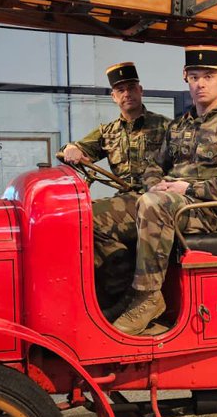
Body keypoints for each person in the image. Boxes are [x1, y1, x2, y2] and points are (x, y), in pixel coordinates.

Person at [109, 45, 217, 335]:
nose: (200, 83)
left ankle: (148, 297)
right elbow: (154, 165)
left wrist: (188, 187)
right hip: (170, 201)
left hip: (208, 211)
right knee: (99, 217)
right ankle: (123, 291)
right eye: (194, 77)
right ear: (186, 79)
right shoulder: (179, 125)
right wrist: (155, 183)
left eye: (208, 77)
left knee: (153, 205)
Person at [62, 61, 170, 313]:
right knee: (78, 215)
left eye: (131, 88)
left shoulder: (165, 127)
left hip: (154, 201)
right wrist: (71, 148)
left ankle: (124, 293)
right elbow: (74, 148)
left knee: (91, 220)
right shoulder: (107, 132)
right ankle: (103, 292)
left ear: (141, 90)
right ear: (113, 97)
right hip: (125, 199)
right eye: (121, 90)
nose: (127, 94)